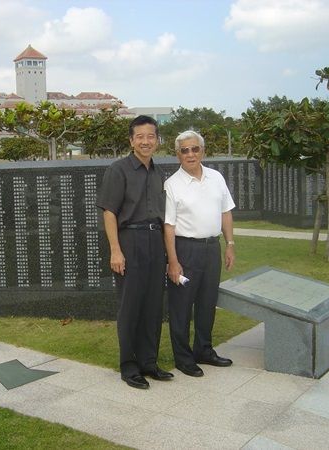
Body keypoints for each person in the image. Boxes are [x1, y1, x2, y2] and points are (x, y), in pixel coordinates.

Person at [96, 115, 173, 389]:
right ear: (131, 140)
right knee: (130, 307)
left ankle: (149, 363)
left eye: (150, 136)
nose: (145, 141)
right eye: (140, 136)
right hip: (130, 241)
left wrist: (168, 254)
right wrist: (115, 250)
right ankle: (129, 367)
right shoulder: (118, 170)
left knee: (153, 306)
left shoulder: (158, 172)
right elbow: (109, 212)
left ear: (157, 140)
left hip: (155, 242)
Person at [163, 130, 236, 377]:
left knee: (207, 304)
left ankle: (204, 350)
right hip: (185, 250)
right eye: (185, 150)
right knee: (181, 307)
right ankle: (183, 358)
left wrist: (230, 243)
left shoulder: (216, 178)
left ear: (202, 151)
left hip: (211, 248)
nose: (190, 154)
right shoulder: (172, 185)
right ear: (178, 155)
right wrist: (173, 261)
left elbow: (226, 212)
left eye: (195, 149)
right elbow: (169, 226)